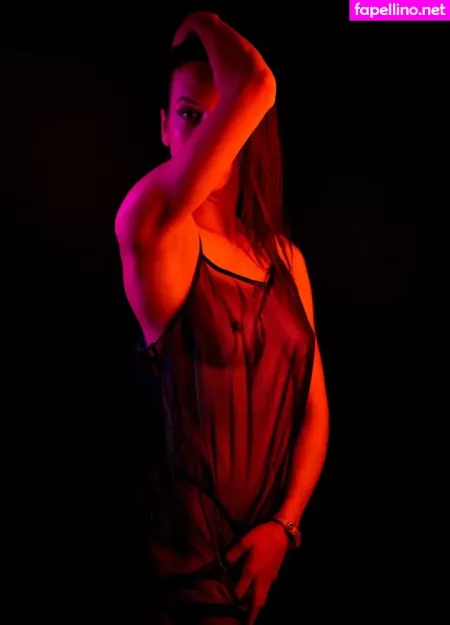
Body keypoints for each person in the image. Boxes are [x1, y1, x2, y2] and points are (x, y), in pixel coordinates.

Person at [115, 11, 329, 625]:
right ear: (163, 126)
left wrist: (285, 527)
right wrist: (203, 21)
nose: (213, 136)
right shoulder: (151, 229)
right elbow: (258, 84)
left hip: (277, 566)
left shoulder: (286, 261)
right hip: (186, 574)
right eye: (190, 115)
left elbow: (314, 410)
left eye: (223, 118)